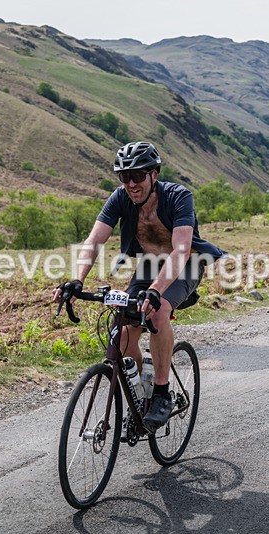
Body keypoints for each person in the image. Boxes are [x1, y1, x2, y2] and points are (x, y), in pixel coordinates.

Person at [53, 141, 225, 433]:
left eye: (137, 176)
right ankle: (140, 391)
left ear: (154, 175)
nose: (131, 183)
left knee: (158, 313)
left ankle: (160, 394)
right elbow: (94, 241)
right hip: (148, 266)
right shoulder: (120, 198)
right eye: (124, 176)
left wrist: (157, 291)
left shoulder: (178, 197)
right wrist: (77, 279)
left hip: (185, 264)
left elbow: (181, 249)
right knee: (121, 334)